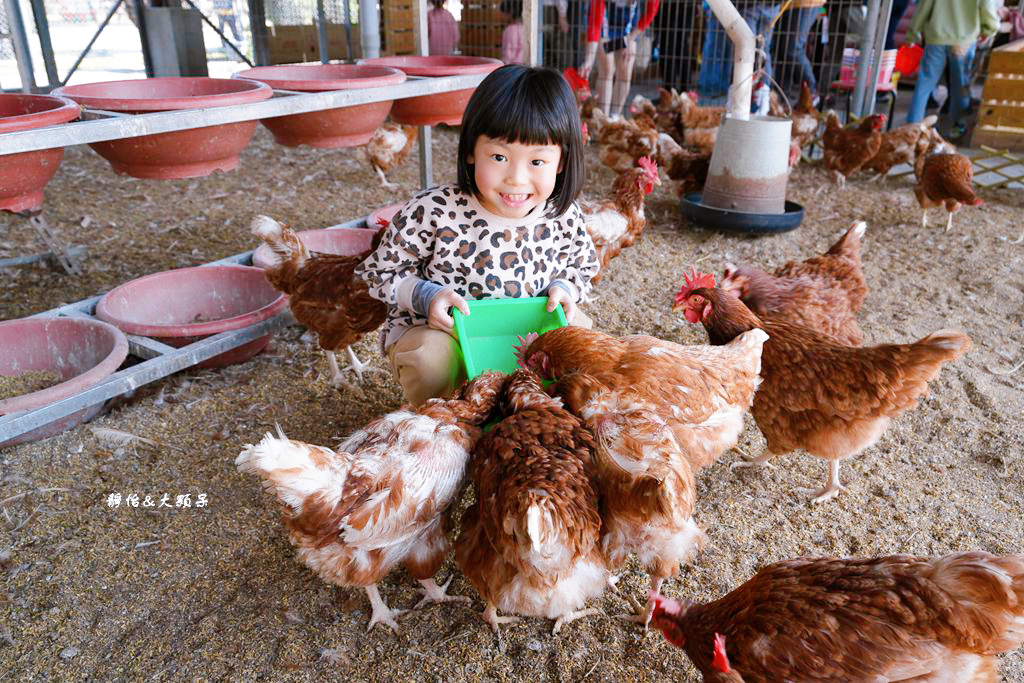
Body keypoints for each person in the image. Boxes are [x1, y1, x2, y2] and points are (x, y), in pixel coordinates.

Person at [356, 65, 599, 406]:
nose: (515, 177)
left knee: (587, 348)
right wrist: (427, 297)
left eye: (537, 161)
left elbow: (582, 268)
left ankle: (539, 419)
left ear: (561, 161)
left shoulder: (563, 215)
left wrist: (565, 290)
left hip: (528, 333)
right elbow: (380, 273)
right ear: (471, 150)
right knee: (432, 359)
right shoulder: (436, 209)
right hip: (447, 333)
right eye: (499, 156)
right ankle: (444, 427)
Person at [905, 0, 999, 139]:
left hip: (936, 38)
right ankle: (957, 126)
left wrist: (913, 33)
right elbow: (987, 8)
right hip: (963, 41)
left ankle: (912, 127)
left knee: (925, 82)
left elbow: (923, 7)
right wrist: (989, 30)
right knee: (960, 85)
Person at [579, 0, 661, 119]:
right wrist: (589, 60)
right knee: (606, 69)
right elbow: (595, 24)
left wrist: (631, 39)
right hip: (606, 24)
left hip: (629, 27)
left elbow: (651, 12)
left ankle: (614, 116)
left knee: (625, 71)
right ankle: (602, 119)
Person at [696, 0, 781, 104]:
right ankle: (762, 96)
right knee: (762, 50)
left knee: (745, 50)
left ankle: (742, 99)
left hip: (748, 5)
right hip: (771, 5)